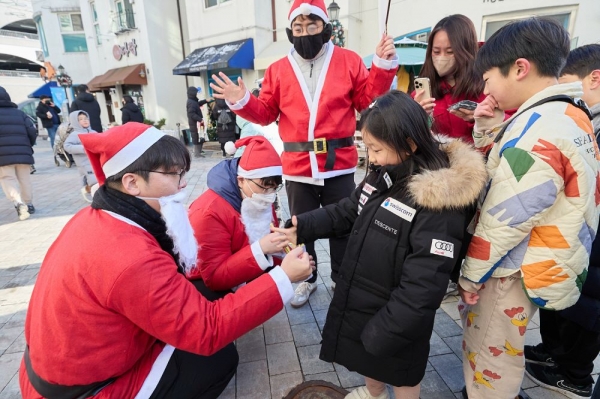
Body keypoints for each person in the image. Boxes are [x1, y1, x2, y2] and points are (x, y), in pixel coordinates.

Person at [18, 122, 313, 399]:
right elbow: (207, 325)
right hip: (88, 387)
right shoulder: (131, 255)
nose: (184, 186)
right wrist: (283, 277)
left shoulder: (95, 219)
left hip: (60, 366)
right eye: (174, 175)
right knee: (218, 360)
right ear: (132, 183)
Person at [273, 90, 487, 399]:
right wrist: (302, 227)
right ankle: (374, 394)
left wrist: (384, 330)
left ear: (410, 143)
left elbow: (423, 286)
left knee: (401, 376)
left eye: (376, 149)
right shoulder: (383, 174)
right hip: (367, 300)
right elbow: (349, 209)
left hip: (398, 320)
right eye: (367, 147)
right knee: (368, 362)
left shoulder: (439, 200)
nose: (371, 158)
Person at [211, 0, 398, 308]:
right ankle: (305, 279)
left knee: (343, 227)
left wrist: (381, 65)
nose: (305, 32)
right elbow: (266, 112)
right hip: (297, 167)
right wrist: (242, 99)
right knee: (300, 227)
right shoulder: (277, 70)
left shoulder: (349, 60)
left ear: (325, 27)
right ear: (290, 31)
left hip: (338, 165)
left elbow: (367, 100)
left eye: (312, 25)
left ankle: (341, 279)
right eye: (298, 27)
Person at [458, 18, 600, 399]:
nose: (485, 89)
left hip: (510, 268)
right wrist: (489, 128)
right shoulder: (567, 114)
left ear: (520, 68)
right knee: (503, 347)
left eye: (487, 78)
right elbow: (513, 173)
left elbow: (508, 214)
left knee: (490, 358)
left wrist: (470, 274)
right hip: (541, 259)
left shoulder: (543, 128)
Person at [523, 43, 600, 399]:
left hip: (593, 243)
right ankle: (554, 354)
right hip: (572, 238)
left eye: (568, 85)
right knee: (563, 303)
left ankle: (576, 376)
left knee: (587, 311)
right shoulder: (584, 117)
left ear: (594, 79)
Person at [188, 136, 287, 297]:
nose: (270, 195)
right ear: (241, 180)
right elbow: (213, 278)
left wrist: (286, 253)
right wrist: (261, 249)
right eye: (265, 187)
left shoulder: (257, 196)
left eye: (275, 188)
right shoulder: (209, 212)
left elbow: (269, 240)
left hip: (242, 265)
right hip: (205, 285)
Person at [412, 14, 485, 143]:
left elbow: (510, 125)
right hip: (437, 161)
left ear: (466, 51)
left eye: (450, 52)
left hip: (479, 161)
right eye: (436, 51)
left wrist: (482, 119)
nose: (442, 57)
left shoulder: (488, 85)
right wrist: (414, 116)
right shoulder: (422, 93)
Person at [0, 86, 37, 221]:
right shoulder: (19, 113)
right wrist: (28, 146)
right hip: (23, 152)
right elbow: (32, 131)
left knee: (7, 178)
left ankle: (19, 203)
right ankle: (29, 203)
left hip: (2, 155)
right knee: (25, 179)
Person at [64, 110, 98, 202]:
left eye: (86, 118)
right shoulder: (75, 135)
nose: (85, 120)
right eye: (81, 119)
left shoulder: (93, 132)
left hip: (96, 160)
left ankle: (93, 191)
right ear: (75, 122)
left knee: (99, 177)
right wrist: (83, 149)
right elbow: (67, 146)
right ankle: (92, 192)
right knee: (92, 179)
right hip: (84, 162)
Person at [186, 86, 208, 158]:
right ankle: (197, 154)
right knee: (196, 137)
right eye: (195, 93)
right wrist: (199, 119)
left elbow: (197, 104)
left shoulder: (193, 101)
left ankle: (199, 152)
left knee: (200, 136)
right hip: (195, 124)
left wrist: (205, 101)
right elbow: (191, 114)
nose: (196, 94)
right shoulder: (190, 102)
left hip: (199, 123)